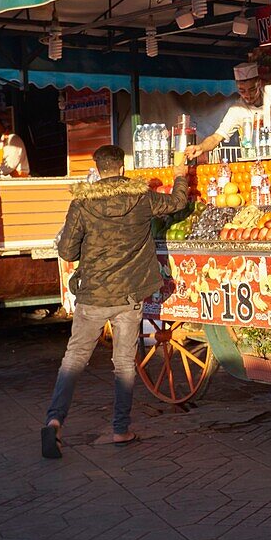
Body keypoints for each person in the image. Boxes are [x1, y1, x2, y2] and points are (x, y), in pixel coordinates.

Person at [41, 145, 188, 458]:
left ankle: (54, 421)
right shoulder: (141, 197)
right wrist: (180, 176)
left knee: (75, 358)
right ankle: (120, 429)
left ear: (98, 168)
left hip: (93, 294)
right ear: (122, 167)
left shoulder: (82, 202)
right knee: (123, 362)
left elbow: (67, 252)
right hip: (129, 294)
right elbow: (178, 202)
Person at [184, 62, 271, 160]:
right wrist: (201, 147)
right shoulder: (237, 110)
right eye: (242, 91)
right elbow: (216, 137)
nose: (248, 95)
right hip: (270, 151)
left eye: (252, 89)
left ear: (259, 83)